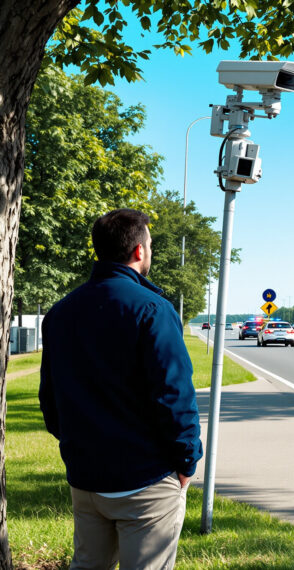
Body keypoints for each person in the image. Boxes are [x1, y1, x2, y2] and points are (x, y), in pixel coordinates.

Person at [39, 208, 202, 569]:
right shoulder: (153, 309)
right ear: (139, 251)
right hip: (145, 481)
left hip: (86, 478)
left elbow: (49, 399)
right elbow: (174, 395)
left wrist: (79, 446)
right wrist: (187, 461)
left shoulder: (59, 313)